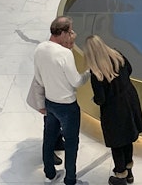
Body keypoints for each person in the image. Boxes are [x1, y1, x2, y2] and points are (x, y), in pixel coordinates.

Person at [34, 16, 89, 185]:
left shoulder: (40, 48)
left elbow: (38, 79)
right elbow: (76, 82)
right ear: (63, 32)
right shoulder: (65, 54)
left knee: (49, 138)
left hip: (50, 103)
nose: (72, 33)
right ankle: (70, 179)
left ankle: (49, 174)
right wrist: (88, 73)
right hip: (68, 107)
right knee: (71, 143)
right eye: (70, 30)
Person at [85, 36, 142, 185]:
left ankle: (120, 176)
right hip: (129, 101)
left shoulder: (96, 73)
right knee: (128, 138)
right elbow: (129, 70)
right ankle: (129, 172)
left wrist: (94, 99)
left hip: (113, 110)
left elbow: (101, 99)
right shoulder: (118, 55)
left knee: (117, 143)